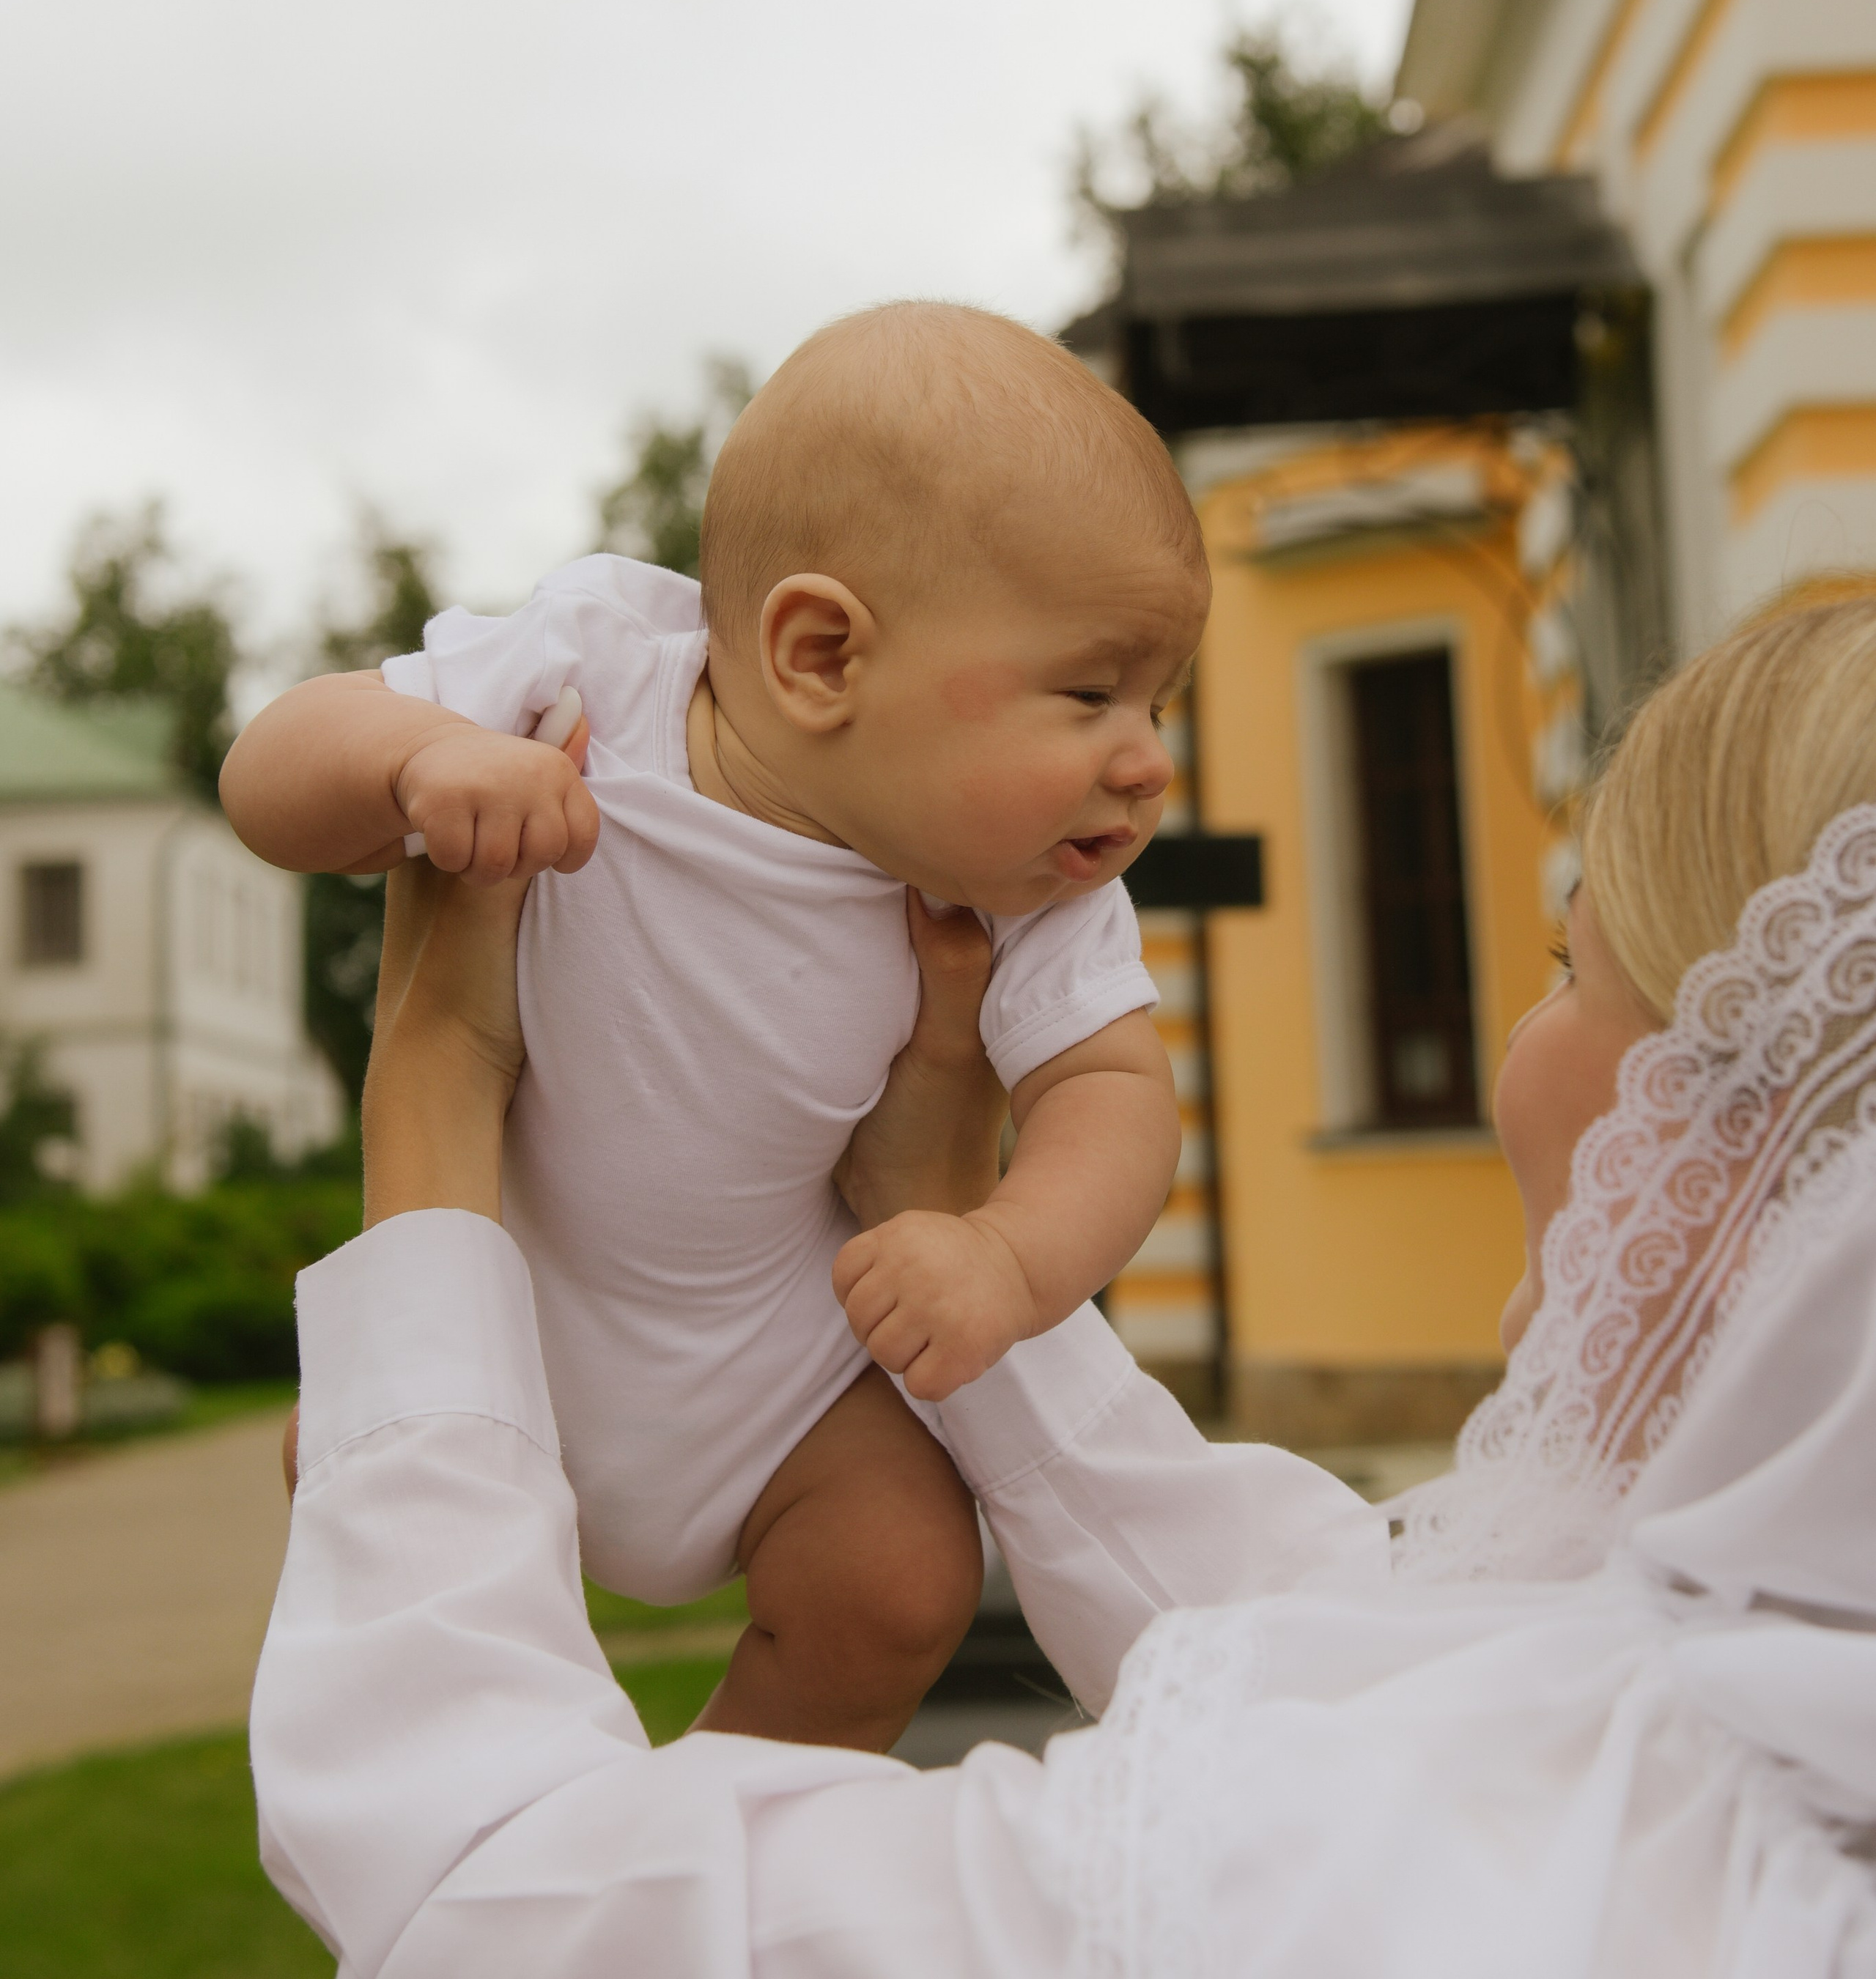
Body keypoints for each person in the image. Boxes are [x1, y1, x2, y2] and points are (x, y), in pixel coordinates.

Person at [254, 585, 1876, 1975]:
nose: (1522, 1038)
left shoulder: (1469, 1849)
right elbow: (1340, 1623)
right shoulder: (1753, 1715)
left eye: (1569, 966)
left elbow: (489, 1906)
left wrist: (435, 1098)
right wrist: (944, 1221)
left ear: (1746, 1120)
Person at [223, 303, 1209, 1747]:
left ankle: (726, 1817)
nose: (1147, 761)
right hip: (515, 1338)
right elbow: (267, 773)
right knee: (377, 1485)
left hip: (786, 1384)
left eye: (1161, 703)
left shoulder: (1020, 889)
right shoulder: (593, 675)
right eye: (1092, 691)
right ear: (821, 654)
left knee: (899, 1580)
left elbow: (1115, 1096)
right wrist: (422, 758)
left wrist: (1005, 1252)